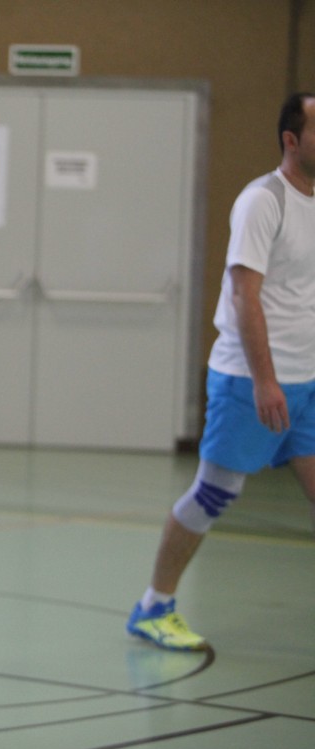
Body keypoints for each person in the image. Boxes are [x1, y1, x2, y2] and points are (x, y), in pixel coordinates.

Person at [127, 92, 315, 651]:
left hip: (307, 380)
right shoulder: (263, 201)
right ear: (292, 140)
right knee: (214, 493)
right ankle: (154, 606)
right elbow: (243, 295)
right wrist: (265, 380)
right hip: (250, 379)